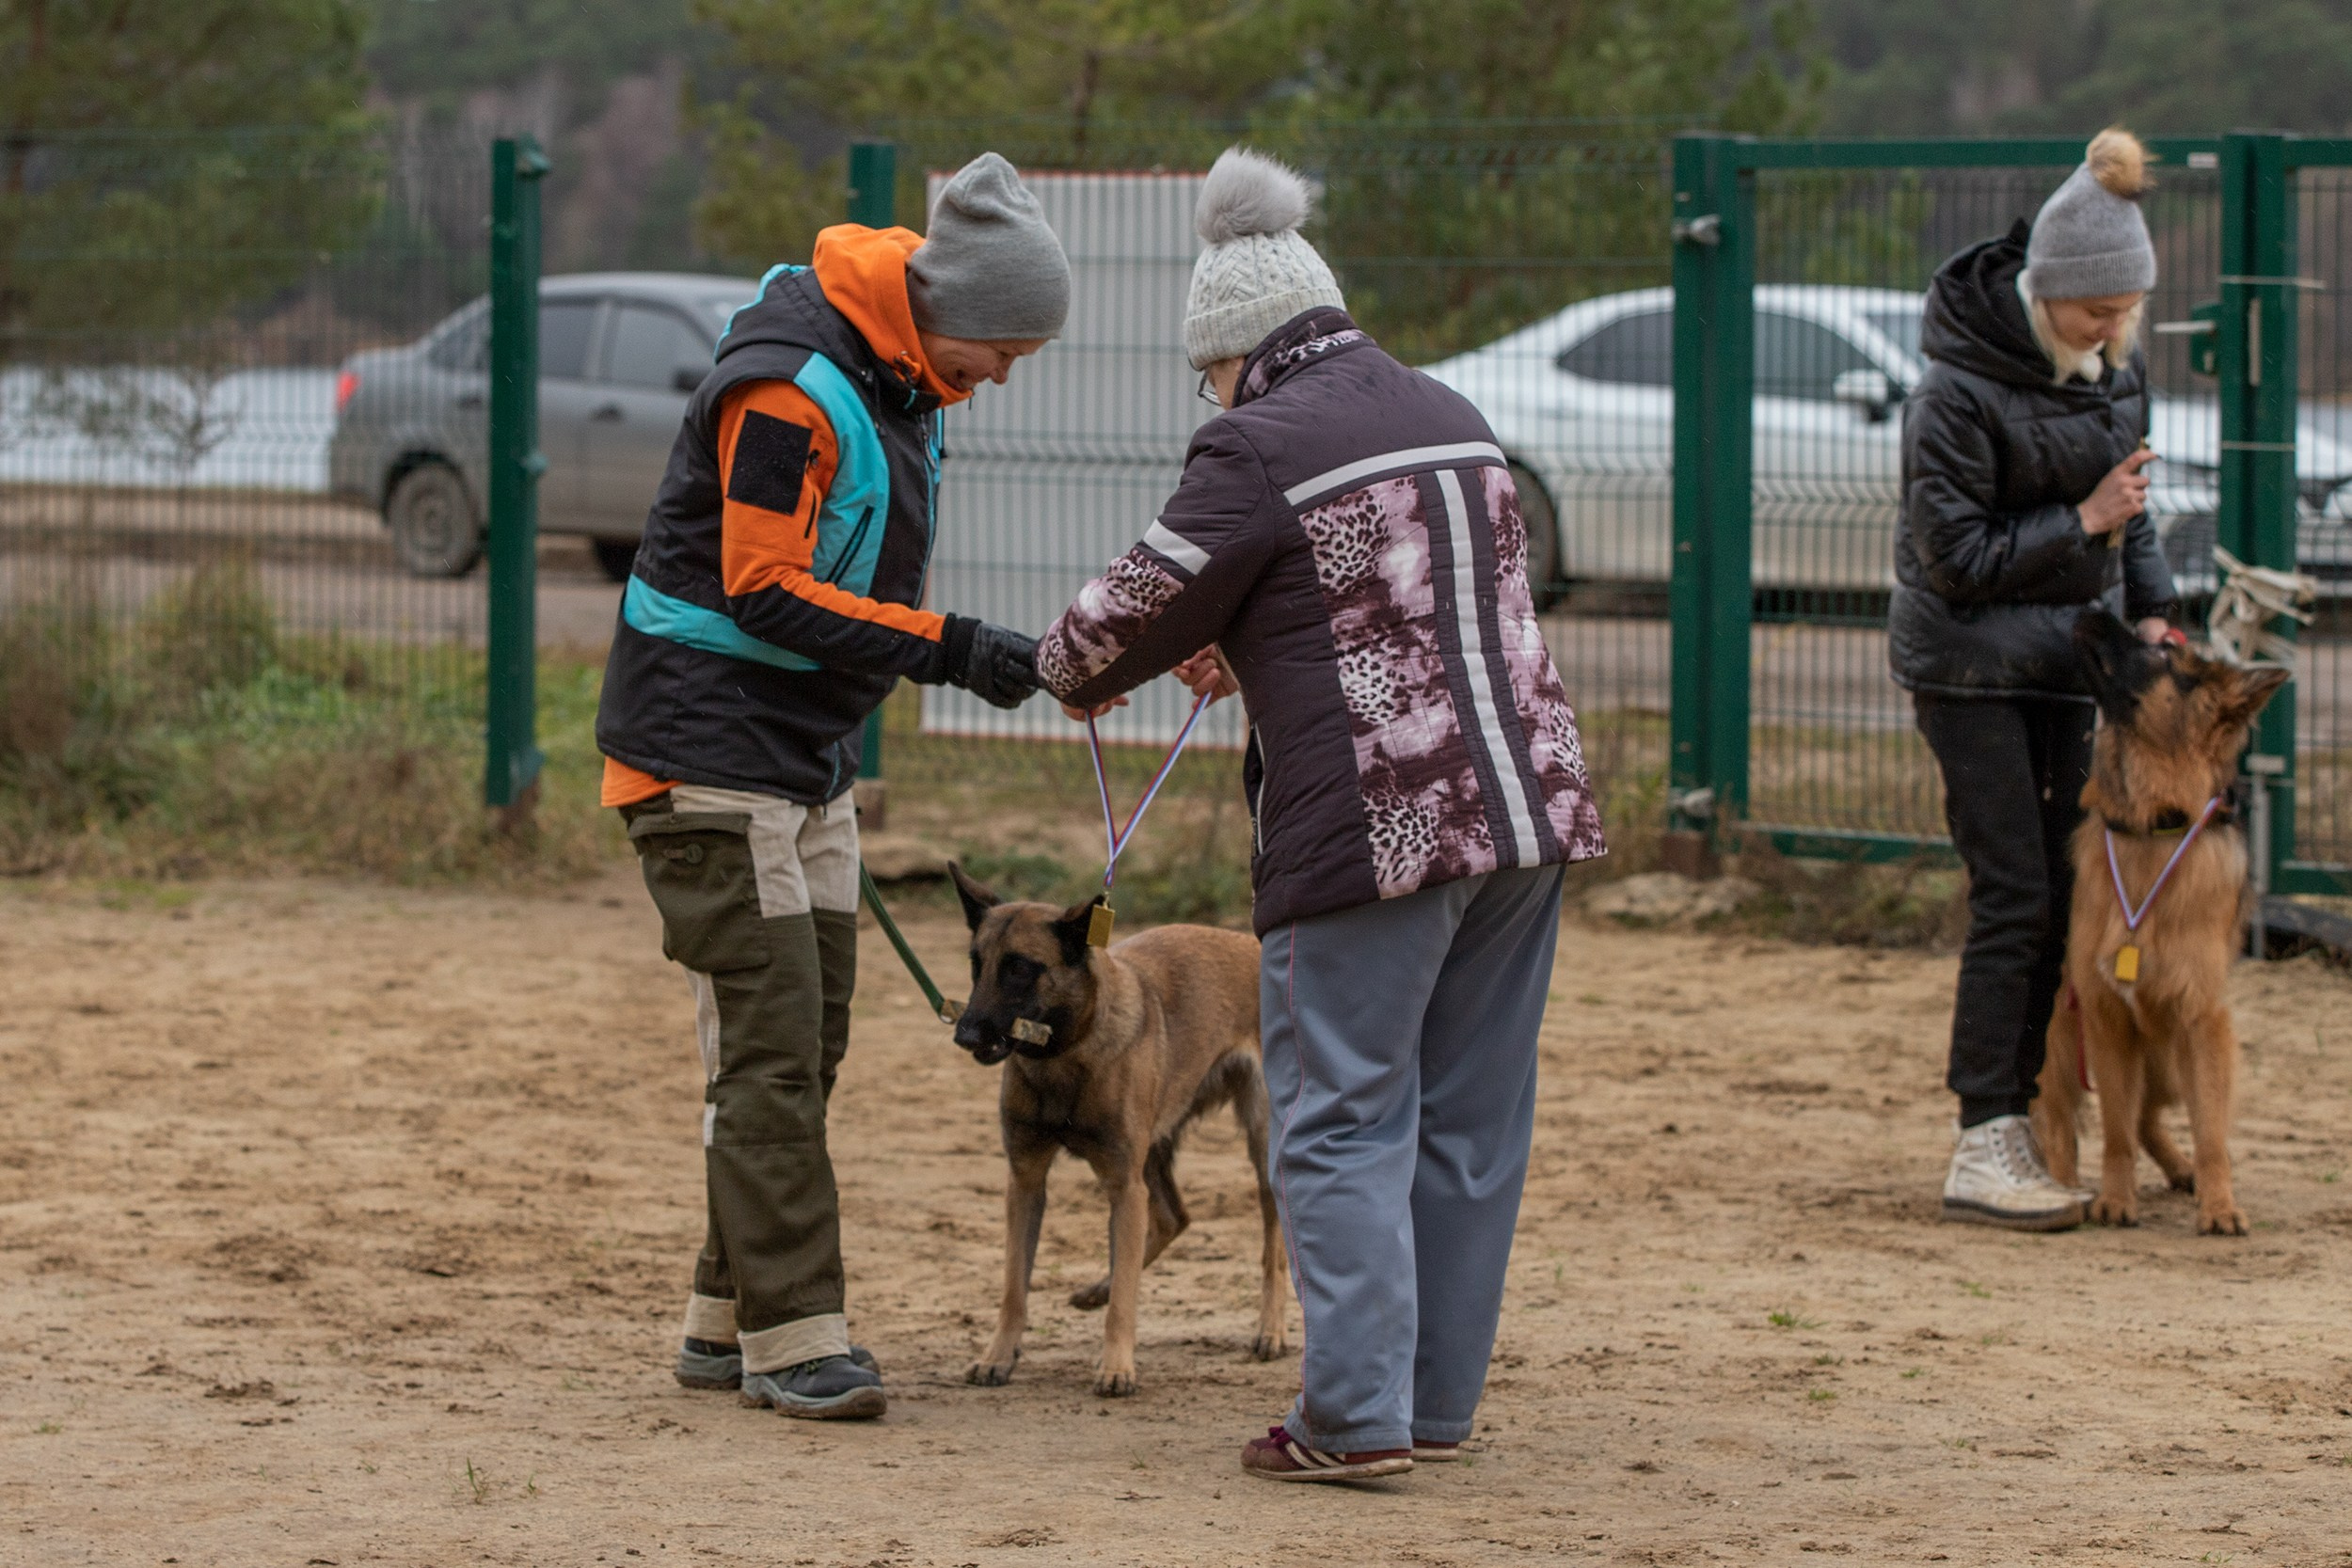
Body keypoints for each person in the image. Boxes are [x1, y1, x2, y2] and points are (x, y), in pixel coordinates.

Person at [1033, 148, 1608, 1481]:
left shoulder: (1255, 439)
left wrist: (1069, 667)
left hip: (1377, 825)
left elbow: (1112, 621)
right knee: (1470, 1118)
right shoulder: (1451, 410)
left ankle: (1350, 1415)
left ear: (1238, 353)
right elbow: (1406, 611)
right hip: (1528, 809)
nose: (1211, 395)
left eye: (1208, 374)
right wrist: (1252, 647)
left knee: (1339, 1114)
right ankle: (1431, 1404)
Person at [594, 152, 1068, 1419]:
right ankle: (796, 1338)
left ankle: (724, 1320)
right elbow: (761, 587)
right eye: (1003, 349)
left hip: (800, 756)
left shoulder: (902, 378)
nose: (1003, 373)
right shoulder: (790, 390)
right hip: (707, 750)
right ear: (952, 310)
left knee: (806, 1045)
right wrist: (952, 648)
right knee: (769, 1054)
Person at [1888, 128, 2178, 1231]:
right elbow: (1954, 560)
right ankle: (1983, 1132)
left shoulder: (2116, 370)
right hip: (1966, 669)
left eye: (2125, 311)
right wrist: (2083, 519)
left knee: (2064, 893)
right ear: (2046, 291)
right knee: (2014, 890)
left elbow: (2133, 509)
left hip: (2072, 662)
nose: (2111, 330)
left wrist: (2154, 610)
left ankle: (2030, 1119)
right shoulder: (1952, 393)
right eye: (2096, 310)